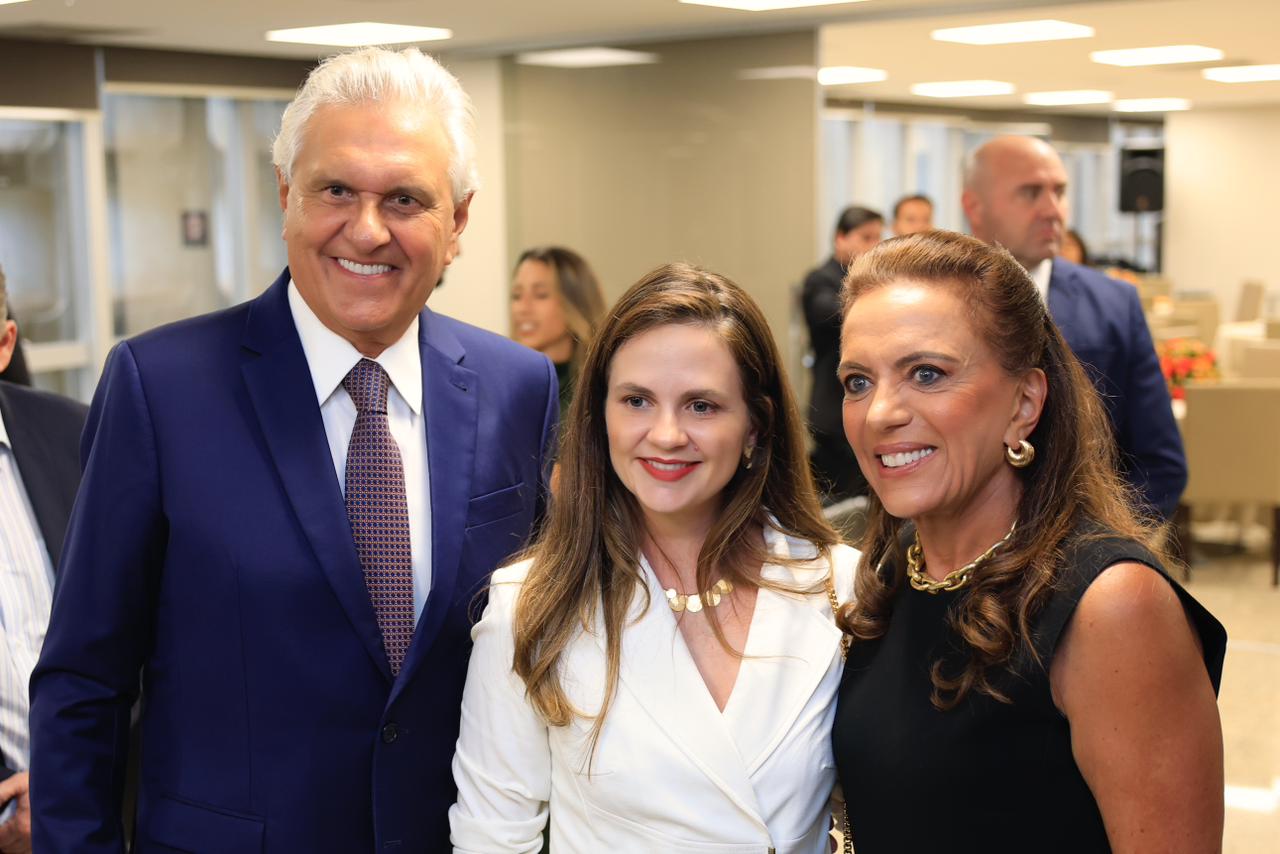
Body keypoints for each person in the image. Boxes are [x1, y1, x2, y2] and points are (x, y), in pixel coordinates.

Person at [29, 47, 558, 852]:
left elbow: (550, 641)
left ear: (457, 221)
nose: (367, 230)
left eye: (406, 198)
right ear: (285, 195)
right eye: (335, 190)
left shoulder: (518, 388)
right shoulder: (159, 388)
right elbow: (83, 681)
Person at [831, 231, 1226, 853]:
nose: (879, 413)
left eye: (927, 374)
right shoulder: (897, 567)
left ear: (1024, 403)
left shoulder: (1110, 606)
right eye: (858, 381)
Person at [450, 263, 858, 852]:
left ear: (755, 426)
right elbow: (492, 838)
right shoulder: (531, 605)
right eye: (637, 400)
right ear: (601, 416)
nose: (666, 434)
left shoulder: (839, 585)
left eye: (701, 406)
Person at [962, 135, 1185, 519]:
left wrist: (1101, 545)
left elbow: (1160, 464)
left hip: (1086, 538)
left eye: (1060, 192)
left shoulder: (1114, 305)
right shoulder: (932, 305)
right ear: (974, 207)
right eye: (1030, 192)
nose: (1053, 210)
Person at [0, 267, 87, 854]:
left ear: (5, 344)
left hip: (106, 821)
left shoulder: (75, 435)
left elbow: (150, 634)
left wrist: (77, 786)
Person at [801, 205, 881, 504]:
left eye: (878, 238)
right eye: (866, 237)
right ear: (840, 238)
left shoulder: (870, 285)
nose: (874, 246)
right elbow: (832, 312)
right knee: (843, 508)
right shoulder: (820, 280)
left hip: (862, 409)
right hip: (833, 413)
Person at [510, 246, 607, 421]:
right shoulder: (504, 385)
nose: (523, 308)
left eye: (540, 295)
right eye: (516, 295)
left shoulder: (599, 391)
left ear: (575, 303)